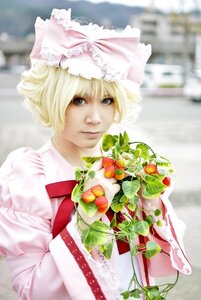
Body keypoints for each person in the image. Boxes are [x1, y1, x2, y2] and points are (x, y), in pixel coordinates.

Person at [0, 8, 191, 300]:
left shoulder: (127, 164)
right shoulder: (28, 176)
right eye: (78, 100)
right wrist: (87, 218)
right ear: (53, 98)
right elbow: (31, 289)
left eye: (107, 100)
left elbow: (155, 261)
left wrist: (152, 207)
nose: (95, 118)